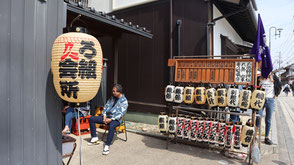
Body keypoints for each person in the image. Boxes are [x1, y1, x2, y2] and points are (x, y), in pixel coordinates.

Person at [88, 84, 128, 155]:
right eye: (112, 91)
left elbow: (120, 114)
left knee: (112, 126)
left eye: (114, 91)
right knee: (91, 119)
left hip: (116, 120)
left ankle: (107, 145)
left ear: (119, 92)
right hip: (106, 117)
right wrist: (104, 116)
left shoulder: (124, 101)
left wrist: (111, 119)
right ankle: (94, 137)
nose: (113, 92)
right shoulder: (112, 98)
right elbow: (105, 107)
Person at [256, 73, 276, 145]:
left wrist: (276, 94)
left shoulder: (274, 78)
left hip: (270, 100)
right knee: (258, 117)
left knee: (268, 120)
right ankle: (255, 135)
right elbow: (254, 87)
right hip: (260, 99)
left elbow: (279, 86)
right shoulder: (259, 78)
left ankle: (266, 137)